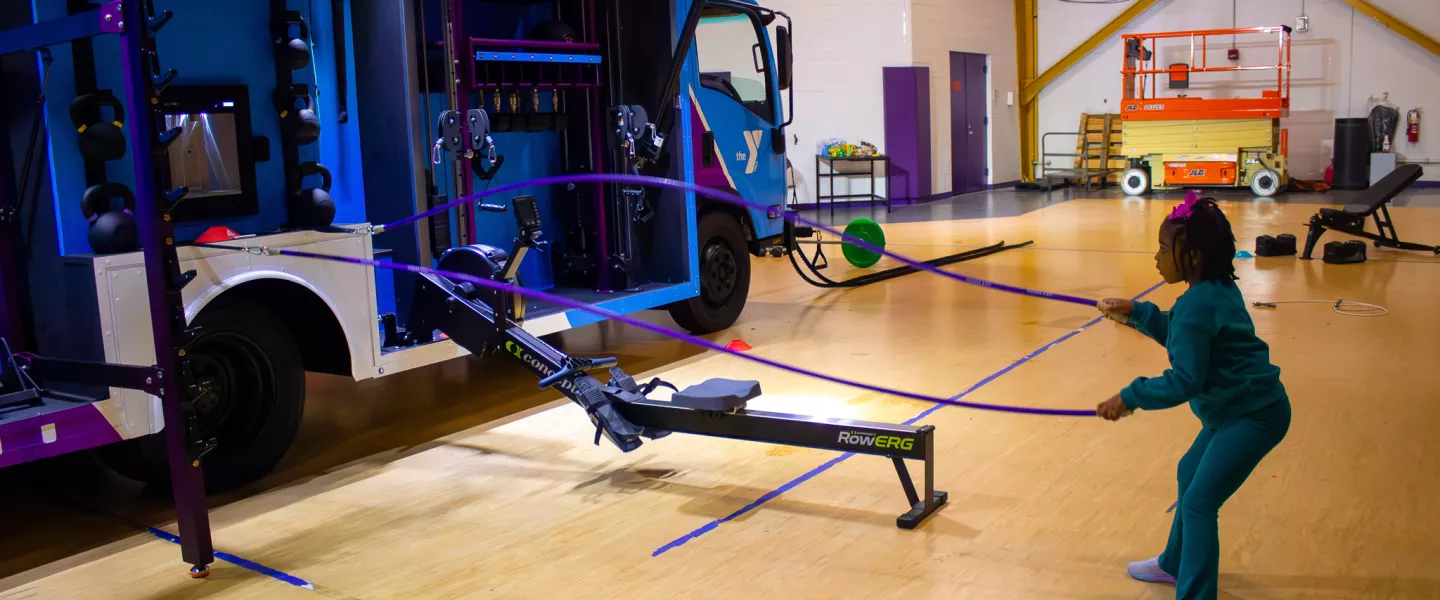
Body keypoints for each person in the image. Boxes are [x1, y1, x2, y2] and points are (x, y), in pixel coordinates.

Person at [1094, 192, 1291, 600]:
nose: (1157, 257)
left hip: (1253, 416)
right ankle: (1172, 564)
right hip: (1236, 410)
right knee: (1189, 473)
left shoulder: (1198, 305)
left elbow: (1186, 379)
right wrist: (1137, 312)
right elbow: (1184, 336)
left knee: (1200, 503)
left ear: (1194, 255)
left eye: (1164, 249)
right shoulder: (1215, 288)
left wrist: (1130, 396)